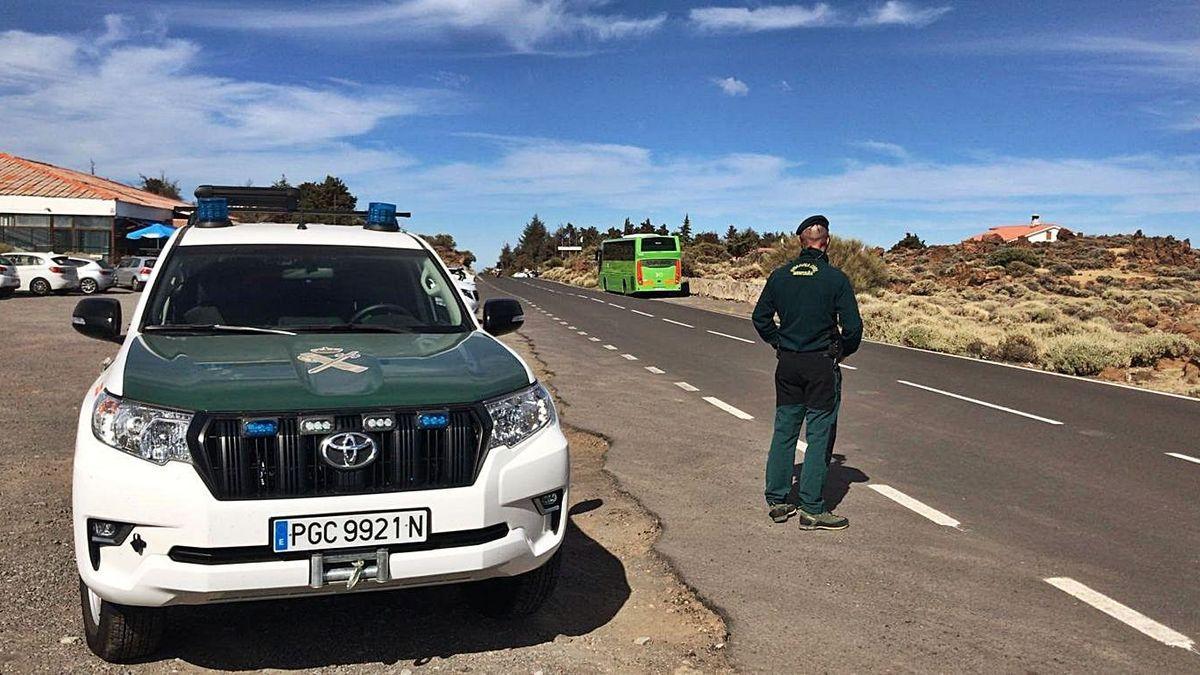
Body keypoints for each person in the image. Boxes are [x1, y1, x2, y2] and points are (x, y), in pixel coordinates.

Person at [752, 215, 863, 530]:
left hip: (787, 363)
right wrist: (841, 351)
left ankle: (778, 500)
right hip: (819, 364)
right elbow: (853, 327)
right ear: (826, 241)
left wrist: (779, 342)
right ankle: (812, 508)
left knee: (784, 430)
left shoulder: (780, 276)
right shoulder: (835, 278)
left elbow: (760, 317)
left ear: (800, 241)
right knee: (819, 434)